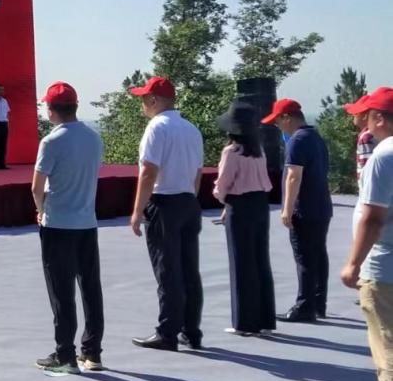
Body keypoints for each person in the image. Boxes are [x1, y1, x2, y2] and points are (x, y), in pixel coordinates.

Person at [31, 82, 105, 374]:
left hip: (59, 224)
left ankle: (65, 354)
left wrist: (41, 211)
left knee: (61, 292)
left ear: (51, 109)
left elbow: (36, 187)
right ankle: (93, 352)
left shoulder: (51, 142)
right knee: (90, 288)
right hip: (87, 222)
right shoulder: (93, 138)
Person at [128, 76, 205, 351]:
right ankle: (191, 330)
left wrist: (137, 210)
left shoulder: (156, 128)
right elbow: (198, 173)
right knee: (189, 270)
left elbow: (149, 172)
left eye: (143, 99)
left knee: (167, 270)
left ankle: (167, 332)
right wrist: (191, 199)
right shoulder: (191, 129)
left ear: (153, 100)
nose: (142, 104)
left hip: (164, 203)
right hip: (188, 201)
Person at [340, 86, 393, 381]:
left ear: (379, 118)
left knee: (386, 344)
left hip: (385, 265)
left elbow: (373, 218)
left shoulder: (383, 156)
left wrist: (353, 263)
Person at [264, 98, 332, 322]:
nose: (277, 126)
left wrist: (287, 208)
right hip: (321, 206)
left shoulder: (297, 140)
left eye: (277, 121)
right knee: (318, 255)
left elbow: (293, 176)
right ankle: (318, 302)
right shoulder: (315, 137)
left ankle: (304, 306)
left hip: (304, 208)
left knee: (304, 257)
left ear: (287, 118)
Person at [213, 102, 277, 336]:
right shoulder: (259, 151)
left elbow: (223, 183)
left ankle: (245, 322)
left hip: (239, 206)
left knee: (241, 262)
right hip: (260, 204)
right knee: (260, 260)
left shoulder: (231, 152)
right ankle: (265, 318)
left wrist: (222, 199)